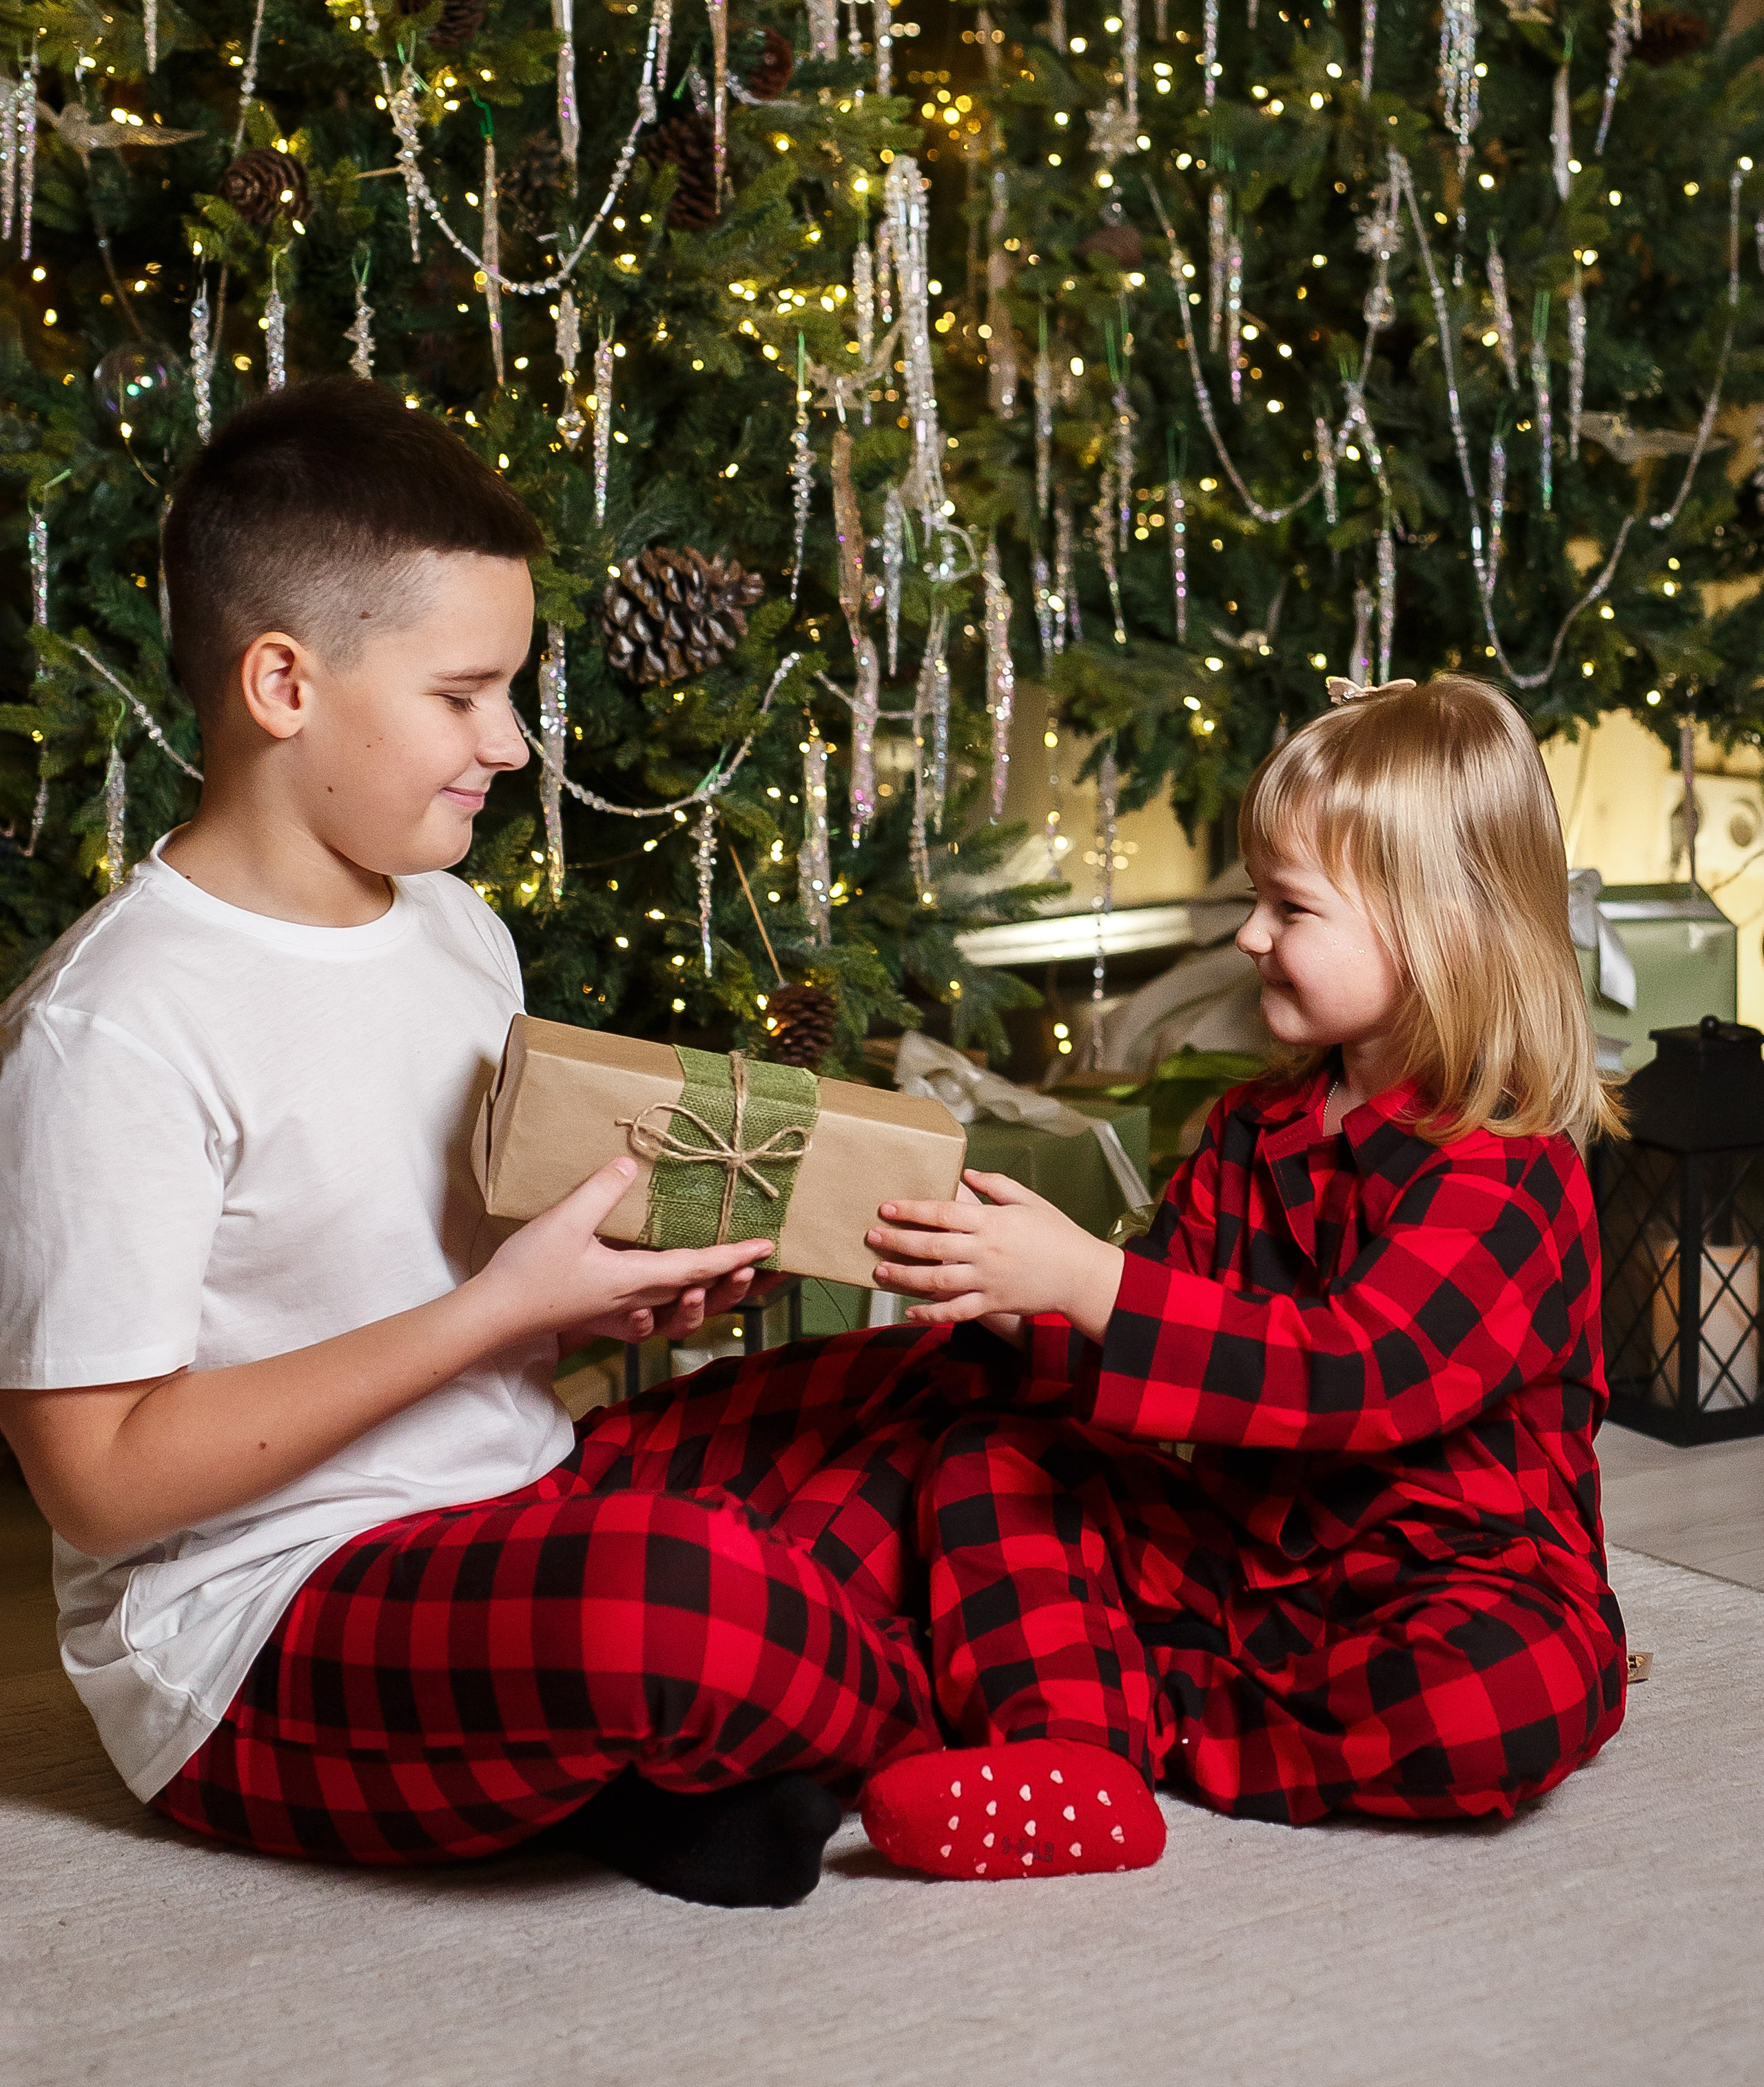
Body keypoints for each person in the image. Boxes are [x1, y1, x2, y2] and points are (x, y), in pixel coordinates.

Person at [0, 379, 977, 1908]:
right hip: (258, 1630)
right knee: (675, 1604)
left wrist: (604, 1296)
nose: (511, 746)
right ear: (282, 684)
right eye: (462, 697)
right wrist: (496, 1313)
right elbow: (103, 1487)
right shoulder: (114, 1027)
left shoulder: (454, 926)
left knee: (942, 1385)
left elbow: (460, 1276)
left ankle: (690, 1758)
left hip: (515, 1501)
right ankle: (904, 1732)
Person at [858, 675, 1628, 1880]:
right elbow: (1170, 1342)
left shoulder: (1509, 1170)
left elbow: (1355, 1377)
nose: (1251, 936)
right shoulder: (1250, 1131)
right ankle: (1074, 1759)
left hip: (1449, 1581)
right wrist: (1026, 1307)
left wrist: (1093, 1281)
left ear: (1438, 932)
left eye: (1289, 908)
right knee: (991, 1463)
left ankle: (1147, 1722)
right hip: (1252, 1554)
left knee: (1491, 1701)